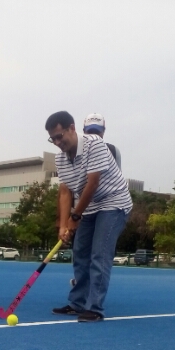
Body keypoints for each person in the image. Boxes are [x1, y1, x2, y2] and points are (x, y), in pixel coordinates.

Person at [46, 111, 132, 322]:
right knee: (80, 252)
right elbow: (66, 191)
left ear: (72, 128)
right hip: (90, 207)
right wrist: (63, 226)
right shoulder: (61, 158)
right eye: (53, 138)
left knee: (99, 254)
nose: (57, 142)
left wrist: (74, 218)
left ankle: (94, 307)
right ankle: (77, 303)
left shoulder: (95, 144)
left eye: (60, 136)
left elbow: (92, 184)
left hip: (114, 203)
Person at [65, 112, 122, 287]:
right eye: (90, 131)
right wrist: (68, 217)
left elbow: (106, 181)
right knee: (80, 251)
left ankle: (93, 298)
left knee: (98, 252)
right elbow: (67, 187)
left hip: (104, 206)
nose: (94, 135)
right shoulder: (72, 150)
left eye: (97, 131)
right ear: (83, 130)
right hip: (81, 209)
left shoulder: (111, 150)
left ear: (104, 131)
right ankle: (81, 288)